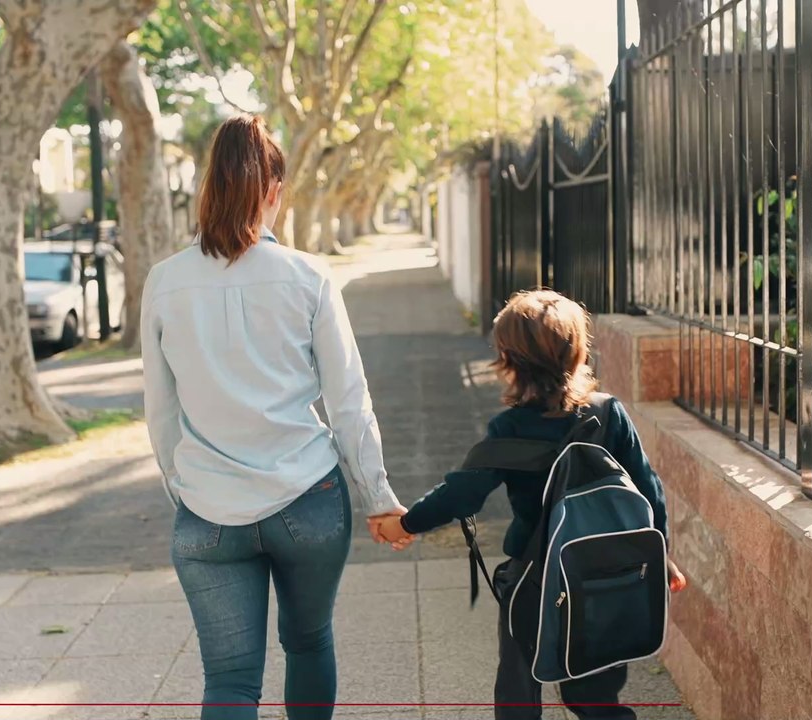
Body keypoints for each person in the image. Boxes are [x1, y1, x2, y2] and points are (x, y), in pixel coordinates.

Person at [141, 114, 410, 720]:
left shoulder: (163, 283)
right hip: (307, 499)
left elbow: (161, 411)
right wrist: (379, 499)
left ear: (210, 187)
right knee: (308, 641)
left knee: (229, 680)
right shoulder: (308, 276)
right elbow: (349, 400)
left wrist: (186, 490)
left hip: (208, 512)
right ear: (272, 190)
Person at [374, 289, 686, 720]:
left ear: (509, 362)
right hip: (602, 571)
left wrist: (406, 524)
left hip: (533, 575)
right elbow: (649, 491)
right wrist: (659, 554)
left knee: (519, 684)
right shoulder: (607, 414)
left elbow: (461, 494)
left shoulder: (510, 428)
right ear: (578, 352)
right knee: (594, 694)